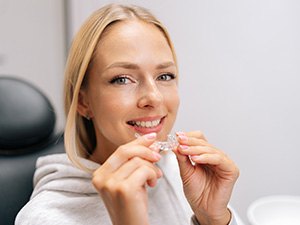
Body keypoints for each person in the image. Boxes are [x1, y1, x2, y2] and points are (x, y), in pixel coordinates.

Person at [16, 3, 242, 225]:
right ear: (84, 101)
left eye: (164, 76)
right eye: (122, 79)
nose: (154, 98)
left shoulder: (182, 173)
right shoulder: (43, 217)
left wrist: (214, 219)